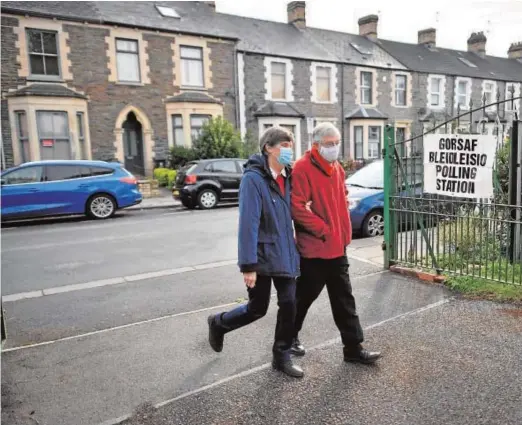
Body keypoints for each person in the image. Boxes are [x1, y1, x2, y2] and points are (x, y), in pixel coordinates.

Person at [207, 126, 303, 378]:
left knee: (290, 303)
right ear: (268, 148)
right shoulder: (254, 179)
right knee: (257, 308)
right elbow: (247, 223)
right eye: (284, 144)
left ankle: (281, 355)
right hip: (261, 257)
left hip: (285, 253)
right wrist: (248, 265)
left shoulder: (288, 177)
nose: (288, 149)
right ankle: (219, 323)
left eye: (291, 145)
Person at [290, 122, 381, 364]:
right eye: (330, 144)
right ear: (316, 145)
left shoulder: (337, 168)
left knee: (344, 299)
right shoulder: (302, 168)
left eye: (337, 143)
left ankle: (353, 348)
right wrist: (323, 229)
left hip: (337, 247)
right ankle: (289, 338)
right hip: (315, 249)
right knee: (304, 297)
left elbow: (341, 195)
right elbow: (297, 207)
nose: (334, 148)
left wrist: (342, 229)